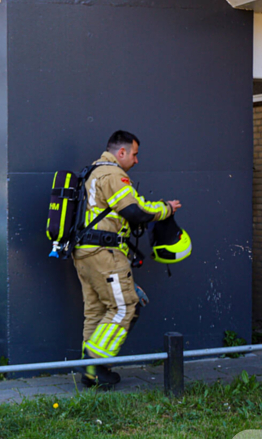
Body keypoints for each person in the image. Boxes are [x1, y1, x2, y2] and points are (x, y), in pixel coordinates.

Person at [74, 130, 181, 389]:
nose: (136, 160)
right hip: (105, 254)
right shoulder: (112, 174)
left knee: (96, 312)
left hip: (86, 253)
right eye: (134, 154)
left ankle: (91, 374)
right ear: (120, 152)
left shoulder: (93, 171)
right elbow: (133, 210)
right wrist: (165, 209)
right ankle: (94, 365)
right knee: (125, 307)